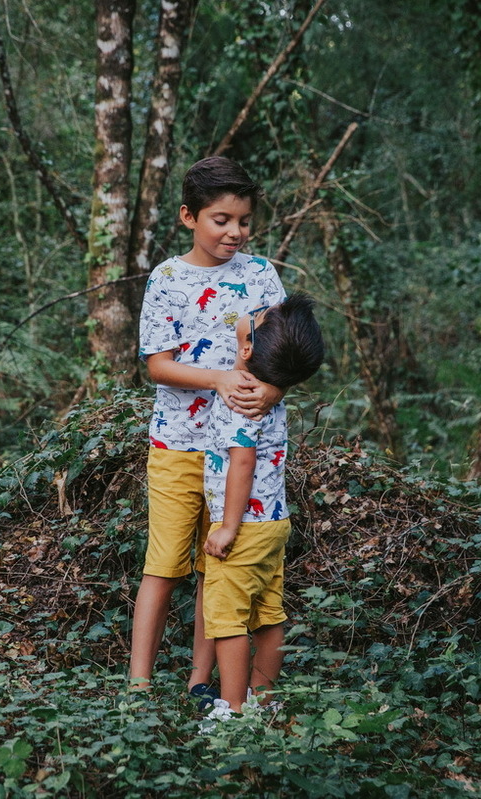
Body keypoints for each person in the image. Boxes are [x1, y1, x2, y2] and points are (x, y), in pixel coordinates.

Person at [131, 156, 286, 698]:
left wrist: (273, 390)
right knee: (164, 564)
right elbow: (158, 365)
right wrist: (219, 378)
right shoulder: (168, 278)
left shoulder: (261, 274)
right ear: (188, 217)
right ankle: (138, 685)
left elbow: (284, 354)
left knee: (215, 562)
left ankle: (201, 682)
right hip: (177, 441)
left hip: (242, 449)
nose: (234, 232)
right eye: (221, 220)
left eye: (243, 221)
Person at [200, 293, 324, 721]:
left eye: (259, 316)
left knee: (227, 618)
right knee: (269, 614)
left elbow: (243, 462)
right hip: (274, 522)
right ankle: (263, 702)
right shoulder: (270, 393)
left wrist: (227, 527)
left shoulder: (241, 399)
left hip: (245, 526)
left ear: (248, 349)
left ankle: (233, 711)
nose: (255, 310)